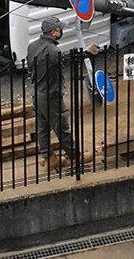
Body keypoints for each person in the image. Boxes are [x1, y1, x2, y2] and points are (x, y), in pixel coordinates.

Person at [26, 17, 78, 171]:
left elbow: (30, 68)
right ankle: (76, 156)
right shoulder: (53, 50)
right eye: (59, 29)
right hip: (51, 94)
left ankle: (49, 158)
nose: (61, 31)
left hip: (36, 92)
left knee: (42, 126)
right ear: (54, 32)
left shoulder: (32, 46)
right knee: (61, 126)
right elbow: (65, 63)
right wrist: (85, 53)